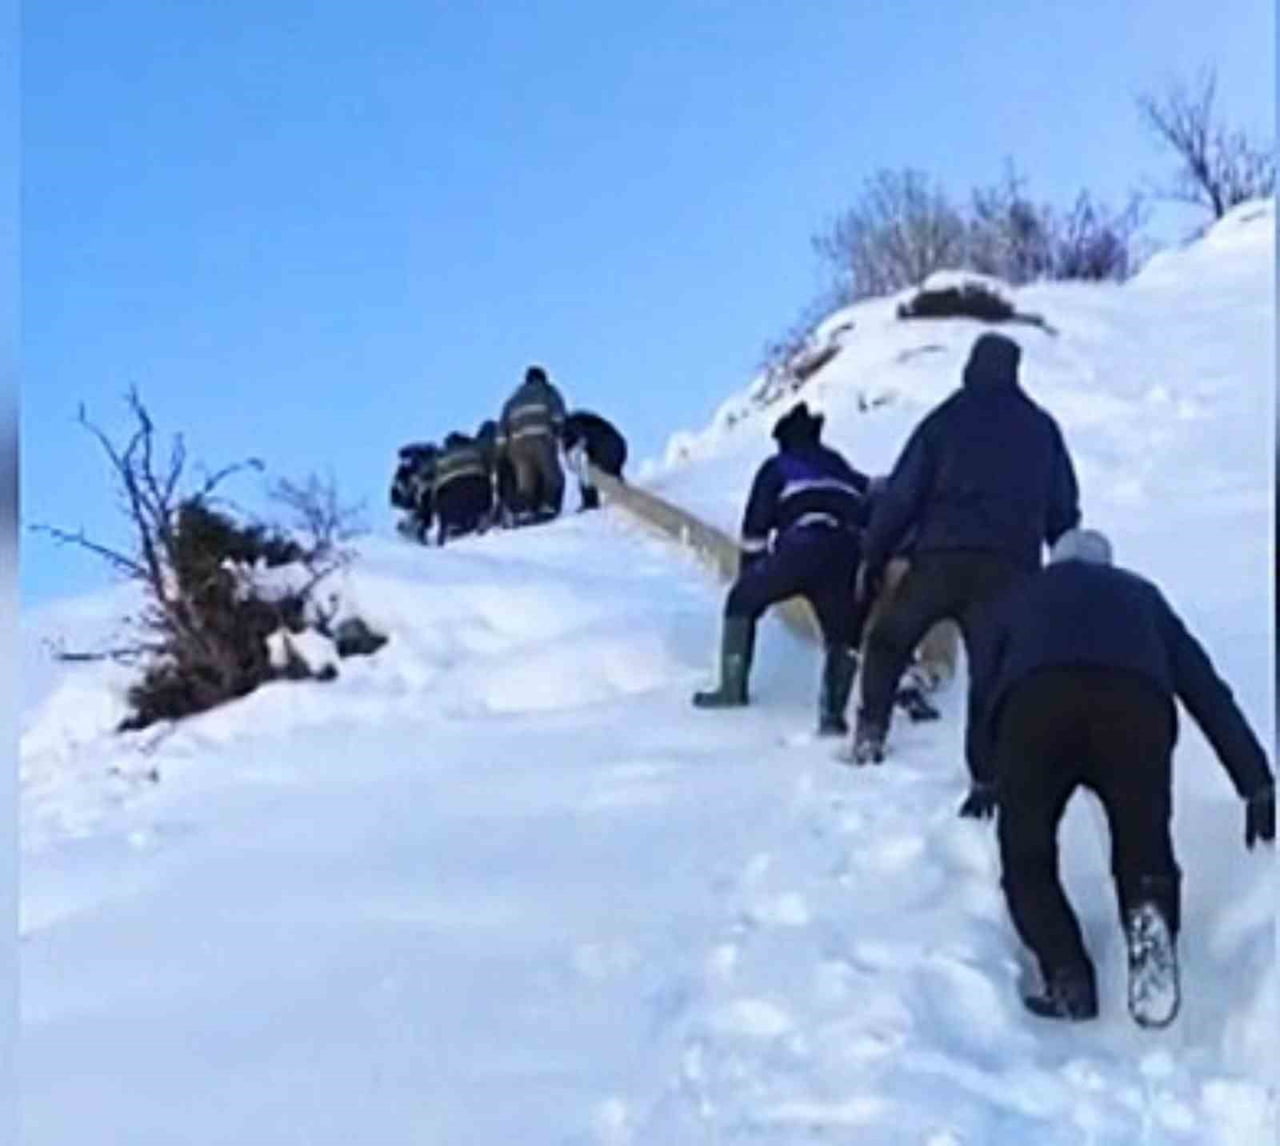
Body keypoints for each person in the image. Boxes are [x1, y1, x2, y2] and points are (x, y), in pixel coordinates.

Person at [973, 528, 1275, 1026]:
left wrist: (984, 769)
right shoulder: (1142, 596)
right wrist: (1253, 779)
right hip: (1134, 710)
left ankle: (1067, 974)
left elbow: (985, 680)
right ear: (1108, 566)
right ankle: (1148, 918)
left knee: (1026, 852)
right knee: (1142, 843)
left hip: (1036, 707)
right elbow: (1204, 688)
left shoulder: (1024, 593)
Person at [850, 332, 1081, 816]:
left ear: (971, 367)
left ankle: (871, 732)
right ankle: (987, 778)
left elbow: (902, 495)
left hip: (940, 561)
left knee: (890, 640)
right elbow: (1064, 512)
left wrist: (875, 555)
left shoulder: (944, 420)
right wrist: (1067, 572)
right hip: (1009, 570)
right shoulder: (1041, 428)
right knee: (992, 673)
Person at [692, 402, 870, 736]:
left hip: (800, 547)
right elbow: (870, 504)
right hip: (844, 551)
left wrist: (752, 576)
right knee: (843, 633)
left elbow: (755, 530)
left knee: (741, 600)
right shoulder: (841, 466)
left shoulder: (779, 467)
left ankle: (732, 690)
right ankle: (832, 716)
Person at [500, 365, 568, 524]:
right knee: (551, 475)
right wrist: (558, 434)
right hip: (541, 440)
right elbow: (559, 416)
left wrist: (503, 453)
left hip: (517, 446)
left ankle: (525, 511)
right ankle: (548, 507)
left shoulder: (513, 398)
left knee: (525, 480)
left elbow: (502, 428)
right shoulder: (548, 392)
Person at [432, 431, 493, 544]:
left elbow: (436, 491)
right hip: (478, 495)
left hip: (452, 503)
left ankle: (451, 525)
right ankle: (482, 517)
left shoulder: (441, 459)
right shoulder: (475, 452)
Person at [561, 410, 628, 511]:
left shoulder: (568, 426)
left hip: (606, 446)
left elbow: (574, 449)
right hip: (619, 445)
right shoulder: (580, 419)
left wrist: (568, 455)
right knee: (611, 472)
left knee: (587, 474)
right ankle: (622, 494)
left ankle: (590, 503)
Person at [390, 442, 438, 543]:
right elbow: (397, 493)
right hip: (414, 503)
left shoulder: (405, 472)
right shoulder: (404, 472)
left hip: (419, 503)